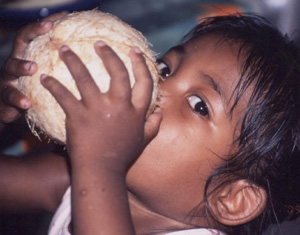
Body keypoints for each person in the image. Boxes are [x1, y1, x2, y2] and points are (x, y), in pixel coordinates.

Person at [0, 11, 300, 235]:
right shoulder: (78, 175)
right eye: (166, 68)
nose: (156, 87)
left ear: (233, 198)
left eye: (199, 105)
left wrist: (100, 165)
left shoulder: (96, 169)